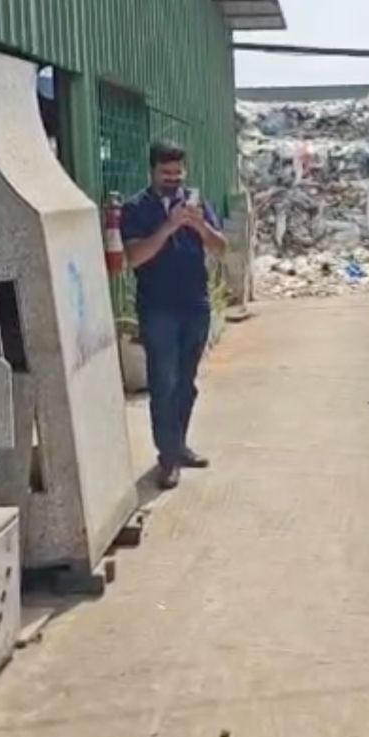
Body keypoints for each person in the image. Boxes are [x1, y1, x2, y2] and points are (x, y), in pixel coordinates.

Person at [120, 140, 226, 490]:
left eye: (178, 172)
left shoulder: (196, 203)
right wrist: (168, 226)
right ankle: (167, 459)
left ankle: (178, 446)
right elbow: (135, 257)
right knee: (163, 384)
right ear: (152, 171)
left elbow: (221, 248)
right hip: (158, 310)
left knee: (185, 384)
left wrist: (198, 226)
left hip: (194, 305)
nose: (173, 179)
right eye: (166, 173)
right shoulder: (136, 208)